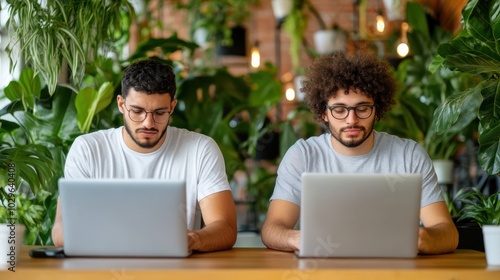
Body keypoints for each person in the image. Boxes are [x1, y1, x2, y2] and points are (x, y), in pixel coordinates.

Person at [260, 52, 459, 255]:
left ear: (377, 109)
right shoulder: (302, 156)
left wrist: (425, 239)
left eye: (362, 108)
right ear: (323, 113)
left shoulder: (409, 155)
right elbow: (272, 230)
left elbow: (448, 233)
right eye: (339, 109)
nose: (351, 120)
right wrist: (298, 239)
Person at [51, 59, 237, 252]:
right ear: (121, 104)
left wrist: (193, 239)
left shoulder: (200, 149)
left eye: (159, 112)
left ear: (172, 107)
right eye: (137, 111)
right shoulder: (88, 150)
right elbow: (62, 232)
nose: (148, 123)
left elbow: (225, 227)